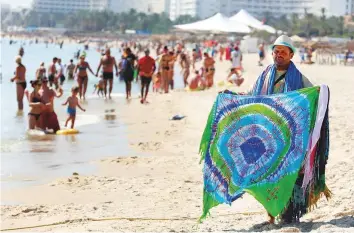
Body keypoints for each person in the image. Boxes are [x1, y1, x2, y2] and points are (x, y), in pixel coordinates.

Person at [248, 35, 313, 224]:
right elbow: (251, 94)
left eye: (283, 52)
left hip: (289, 134)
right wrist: (233, 96)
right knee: (268, 171)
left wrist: (320, 92)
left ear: (291, 55)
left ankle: (289, 212)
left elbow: (310, 96)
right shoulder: (264, 75)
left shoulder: (299, 78)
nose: (279, 55)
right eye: (276, 52)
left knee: (289, 171)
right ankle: (271, 211)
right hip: (267, 133)